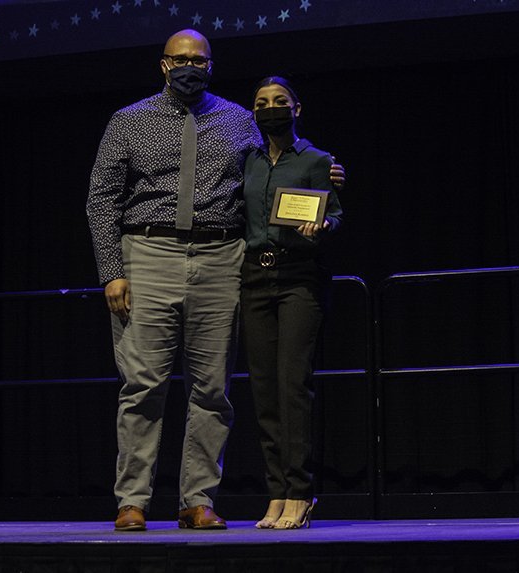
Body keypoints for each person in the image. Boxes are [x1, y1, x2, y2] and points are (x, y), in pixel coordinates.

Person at [87, 30, 344, 532]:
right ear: (164, 65)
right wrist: (111, 272)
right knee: (143, 385)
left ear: (211, 65)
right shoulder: (128, 121)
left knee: (212, 389)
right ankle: (132, 500)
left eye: (199, 60)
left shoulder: (238, 120)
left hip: (221, 258)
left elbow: (283, 153)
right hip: (148, 252)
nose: (190, 66)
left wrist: (326, 170)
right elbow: (102, 199)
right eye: (180, 59)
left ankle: (197, 499)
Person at [240, 77, 343, 529]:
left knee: (292, 386)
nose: (271, 108)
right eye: (262, 103)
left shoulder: (318, 160)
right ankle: (277, 491)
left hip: (299, 277)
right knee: (263, 390)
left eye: (280, 102)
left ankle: (300, 492)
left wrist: (322, 226)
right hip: (254, 279)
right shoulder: (248, 162)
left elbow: (335, 212)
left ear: (297, 109)